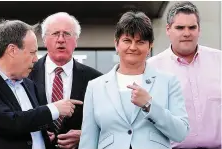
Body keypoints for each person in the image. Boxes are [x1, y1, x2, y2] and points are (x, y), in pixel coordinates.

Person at [0, 20, 82, 149]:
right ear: (12, 50)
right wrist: (54, 109)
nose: (36, 59)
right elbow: (9, 122)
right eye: (32, 52)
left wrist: (41, 135)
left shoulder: (29, 84)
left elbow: (28, 123)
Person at [79, 11, 190, 149]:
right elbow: (88, 140)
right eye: (127, 41)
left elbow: (180, 133)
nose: (133, 47)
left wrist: (149, 105)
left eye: (140, 42)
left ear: (150, 46)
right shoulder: (96, 86)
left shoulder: (168, 82)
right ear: (116, 44)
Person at [147, 1, 221, 149]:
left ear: (199, 30)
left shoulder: (219, 61)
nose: (186, 33)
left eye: (192, 27)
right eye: (180, 28)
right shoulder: (151, 68)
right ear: (168, 29)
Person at [29, 12, 102, 149]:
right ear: (44, 39)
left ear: (76, 40)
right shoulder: (27, 74)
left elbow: (106, 123)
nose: (61, 39)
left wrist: (85, 135)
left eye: (67, 34)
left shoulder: (95, 79)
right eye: (55, 33)